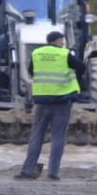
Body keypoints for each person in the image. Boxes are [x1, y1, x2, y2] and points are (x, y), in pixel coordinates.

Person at [15, 31, 86, 181]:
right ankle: (53, 172)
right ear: (58, 40)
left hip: (42, 102)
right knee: (58, 137)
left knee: (36, 136)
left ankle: (27, 171)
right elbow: (82, 67)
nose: (64, 43)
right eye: (62, 40)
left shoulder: (37, 53)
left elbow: (31, 72)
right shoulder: (64, 54)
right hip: (61, 101)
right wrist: (75, 78)